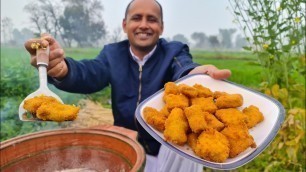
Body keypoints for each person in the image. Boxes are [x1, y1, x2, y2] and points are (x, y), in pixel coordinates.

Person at [25, 0, 231, 171]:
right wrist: (63, 70)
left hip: (167, 148)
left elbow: (183, 68)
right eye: (136, 18)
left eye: (152, 19)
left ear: (161, 27)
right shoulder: (112, 54)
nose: (143, 25)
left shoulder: (173, 52)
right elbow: (91, 73)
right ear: (125, 25)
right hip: (127, 145)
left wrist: (195, 76)